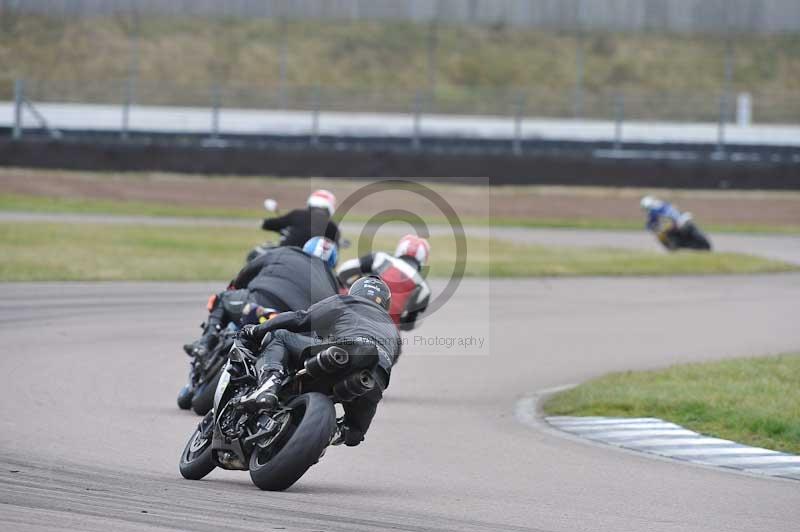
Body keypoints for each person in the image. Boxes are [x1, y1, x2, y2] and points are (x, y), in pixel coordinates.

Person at [239, 276, 399, 447]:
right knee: (353, 432)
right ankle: (331, 434)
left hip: (345, 352)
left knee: (280, 336)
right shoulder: (393, 331)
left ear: (355, 292)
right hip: (374, 380)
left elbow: (301, 318)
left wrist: (256, 330)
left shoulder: (346, 301)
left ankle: (270, 383)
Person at [183, 237, 340, 359]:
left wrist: (235, 287)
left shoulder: (286, 251)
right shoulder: (332, 282)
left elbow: (247, 271)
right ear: (333, 263)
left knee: (221, 298)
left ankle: (206, 342)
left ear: (305, 248)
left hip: (256, 306)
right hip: (288, 325)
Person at [337, 234, 431, 331]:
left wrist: (357, 287)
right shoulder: (424, 288)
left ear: (400, 249)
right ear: (423, 259)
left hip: (356, 320)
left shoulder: (381, 258)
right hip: (388, 333)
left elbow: (344, 270)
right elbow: (409, 324)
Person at [261, 189, 341, 247]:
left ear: (310, 202)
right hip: (314, 266)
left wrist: (265, 222)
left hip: (285, 255)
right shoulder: (332, 226)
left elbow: (267, 224)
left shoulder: (297, 214)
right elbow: (334, 259)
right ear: (330, 206)